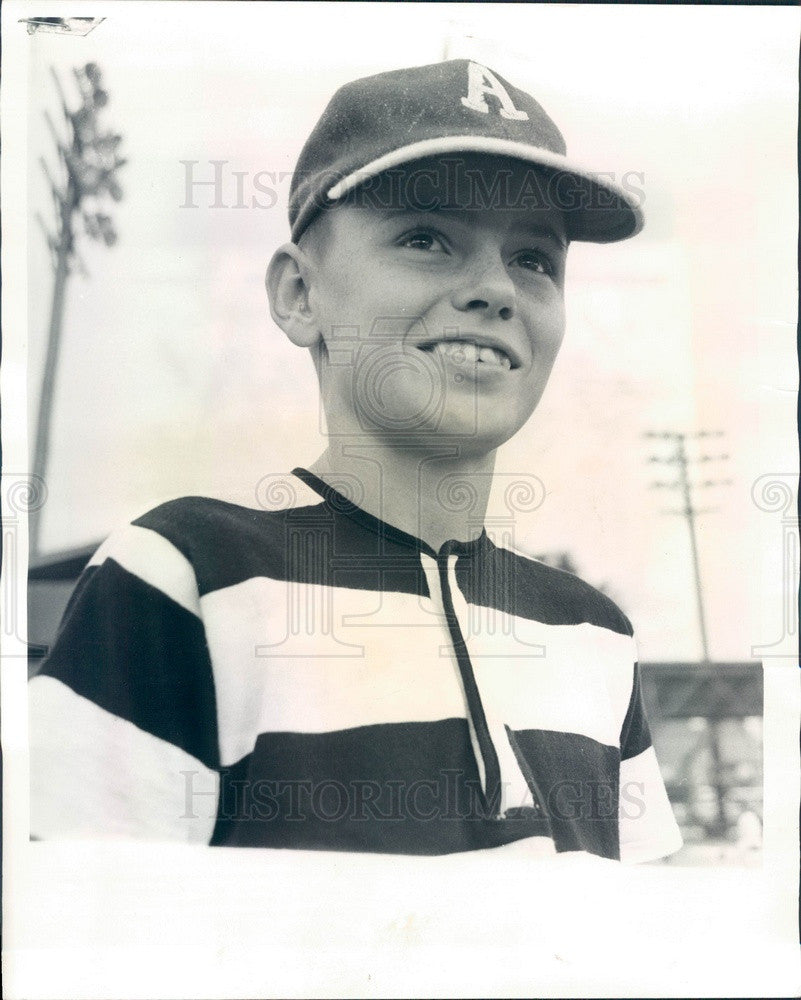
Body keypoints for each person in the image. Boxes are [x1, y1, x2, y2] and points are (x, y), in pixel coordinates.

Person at [29, 59, 682, 863]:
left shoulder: (595, 632)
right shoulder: (183, 576)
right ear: (300, 296)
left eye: (534, 259)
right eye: (425, 239)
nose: (495, 288)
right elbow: (78, 955)